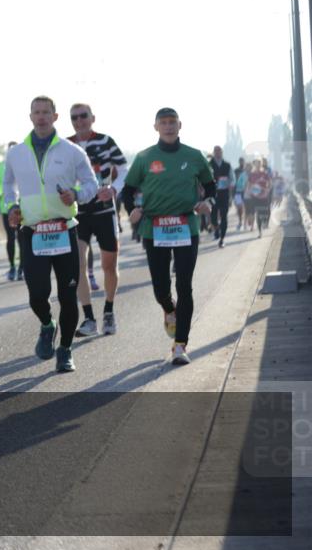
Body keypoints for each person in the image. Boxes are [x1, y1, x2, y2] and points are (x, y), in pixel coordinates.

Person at [3, 96, 97, 372]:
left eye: (46, 112)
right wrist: (12, 207)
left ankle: (65, 349)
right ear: (30, 116)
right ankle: (47, 324)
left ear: (55, 117)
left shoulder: (72, 151)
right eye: (37, 112)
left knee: (68, 297)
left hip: (64, 229)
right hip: (32, 232)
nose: (41, 117)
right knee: (37, 294)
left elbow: (91, 183)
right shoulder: (17, 153)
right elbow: (8, 186)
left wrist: (76, 194)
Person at [122, 107, 214, 365]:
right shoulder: (144, 157)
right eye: (163, 122)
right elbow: (127, 190)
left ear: (180, 125)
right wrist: (132, 211)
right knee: (161, 288)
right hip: (154, 227)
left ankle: (180, 345)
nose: (168, 126)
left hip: (186, 225)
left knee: (184, 285)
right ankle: (168, 308)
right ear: (156, 127)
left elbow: (210, 185)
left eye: (172, 122)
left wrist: (208, 201)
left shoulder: (194, 156)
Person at [67, 103, 128, 337]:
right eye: (75, 117)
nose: (79, 120)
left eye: (83, 116)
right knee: (78, 264)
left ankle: (109, 311)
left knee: (108, 265)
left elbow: (123, 167)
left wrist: (114, 189)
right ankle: (89, 318)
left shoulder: (105, 141)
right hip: (78, 212)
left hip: (104, 210)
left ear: (92, 118)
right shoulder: (66, 145)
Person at [0, 141, 23, 280]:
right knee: (10, 238)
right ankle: (12, 267)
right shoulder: (0, 168)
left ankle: (22, 267)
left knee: (22, 238)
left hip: (23, 208)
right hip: (6, 209)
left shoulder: (24, 165)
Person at [208, 146, 232, 247]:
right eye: (216, 151)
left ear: (222, 152)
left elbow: (232, 180)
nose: (218, 153)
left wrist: (230, 194)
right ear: (213, 152)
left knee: (224, 217)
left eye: (219, 151)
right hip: (212, 195)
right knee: (213, 217)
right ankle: (216, 229)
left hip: (224, 194)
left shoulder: (227, 165)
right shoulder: (209, 165)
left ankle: (222, 239)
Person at [246, 159, 272, 237]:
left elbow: (270, 183)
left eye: (259, 164)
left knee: (266, 211)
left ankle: (265, 222)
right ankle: (260, 232)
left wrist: (267, 190)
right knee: (258, 213)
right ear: (254, 165)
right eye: (256, 164)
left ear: (261, 165)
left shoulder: (264, 173)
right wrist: (249, 191)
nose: (257, 165)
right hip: (255, 196)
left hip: (263, 196)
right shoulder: (252, 174)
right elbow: (249, 185)